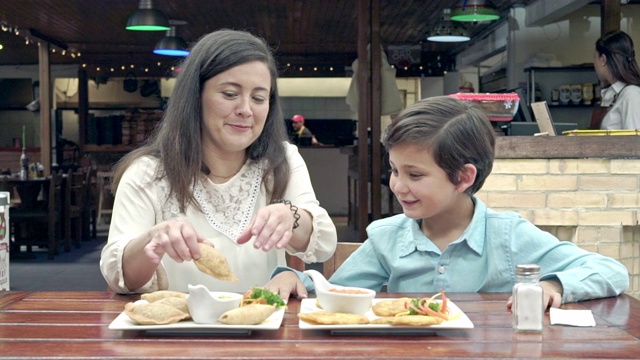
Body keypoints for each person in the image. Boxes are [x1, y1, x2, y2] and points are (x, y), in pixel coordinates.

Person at [267, 96, 629, 309]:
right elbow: (337, 292)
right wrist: (291, 277)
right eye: (394, 170)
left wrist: (554, 286)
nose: (398, 186)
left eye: (415, 175)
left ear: (464, 177)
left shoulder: (507, 235)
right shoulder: (387, 238)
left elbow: (611, 272)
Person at [100, 29, 337, 295]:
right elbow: (120, 278)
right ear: (195, 97)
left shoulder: (281, 160)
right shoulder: (148, 173)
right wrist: (152, 240)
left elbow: (324, 244)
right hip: (176, 330)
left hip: (262, 326)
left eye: (258, 98)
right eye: (229, 94)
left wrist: (291, 217)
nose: (246, 109)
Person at [593, 30, 640, 130]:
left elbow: (635, 142)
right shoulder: (611, 94)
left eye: (595, 58)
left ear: (603, 60)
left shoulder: (631, 95)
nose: (594, 64)